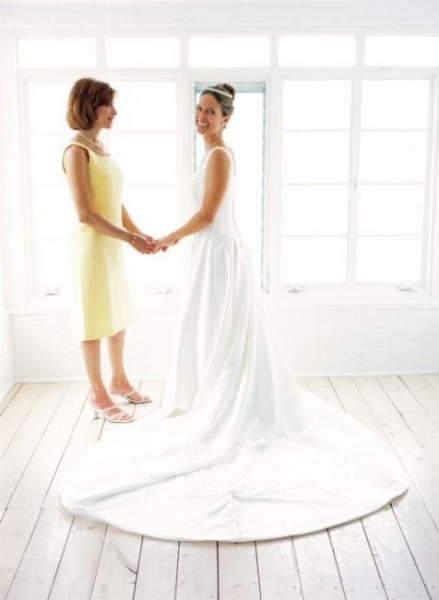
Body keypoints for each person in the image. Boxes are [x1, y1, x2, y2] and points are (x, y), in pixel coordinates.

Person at [60, 84, 409, 542]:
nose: (201, 116)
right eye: (198, 109)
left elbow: (207, 216)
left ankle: (222, 400)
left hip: (220, 252)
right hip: (206, 254)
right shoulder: (197, 154)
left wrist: (165, 238)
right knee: (208, 329)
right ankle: (192, 393)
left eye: (210, 111)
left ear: (226, 118)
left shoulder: (220, 155)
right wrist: (153, 237)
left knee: (224, 329)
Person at [63, 78, 154, 424]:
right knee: (92, 322)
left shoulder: (100, 147)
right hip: (91, 250)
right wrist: (128, 239)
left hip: (111, 247)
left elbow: (114, 200)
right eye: (108, 105)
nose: (114, 112)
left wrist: (137, 233)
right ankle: (98, 395)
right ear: (89, 105)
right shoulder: (76, 151)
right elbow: (85, 212)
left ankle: (118, 380)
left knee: (117, 314)